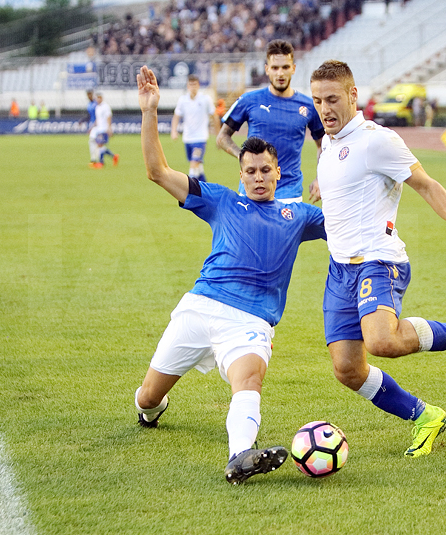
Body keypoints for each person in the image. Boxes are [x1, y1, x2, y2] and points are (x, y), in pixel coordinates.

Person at [308, 60, 446, 460]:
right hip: (339, 269)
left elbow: (425, 184)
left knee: (382, 341)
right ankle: (426, 416)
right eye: (318, 100)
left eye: (333, 99)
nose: (325, 108)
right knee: (347, 370)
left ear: (353, 96)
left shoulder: (378, 140)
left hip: (378, 261)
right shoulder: (328, 143)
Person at [134, 66, 327, 484]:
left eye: (266, 170)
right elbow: (157, 172)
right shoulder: (220, 200)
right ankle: (151, 410)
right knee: (148, 396)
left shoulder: (299, 216)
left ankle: (240, 457)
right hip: (201, 308)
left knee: (250, 377)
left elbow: (346, 226)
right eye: (251, 171)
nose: (258, 177)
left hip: (250, 322)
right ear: (240, 174)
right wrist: (150, 111)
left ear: (279, 173)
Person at [217, 39, 325, 203]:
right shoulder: (249, 100)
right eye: (275, 68)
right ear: (267, 69)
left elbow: (323, 145)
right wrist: (243, 156)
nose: (280, 73)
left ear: (293, 68)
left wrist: (320, 178)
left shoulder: (309, 106)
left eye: (285, 67)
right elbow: (222, 137)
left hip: (290, 193)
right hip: (251, 190)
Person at [171, 74, 220, 182]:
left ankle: (191, 192)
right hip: (188, 138)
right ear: (187, 86)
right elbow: (176, 116)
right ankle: (206, 188)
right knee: (198, 166)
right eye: (190, 84)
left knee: (194, 164)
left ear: (198, 85)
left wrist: (218, 135)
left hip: (200, 138)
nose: (193, 87)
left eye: (195, 84)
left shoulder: (205, 99)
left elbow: (214, 116)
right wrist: (174, 131)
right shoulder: (183, 100)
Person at [89, 92, 119, 169]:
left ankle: (101, 163)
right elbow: (98, 119)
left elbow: (108, 116)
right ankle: (113, 156)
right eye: (97, 98)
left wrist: (109, 128)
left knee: (99, 145)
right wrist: (92, 126)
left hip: (104, 128)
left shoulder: (105, 106)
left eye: (99, 98)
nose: (98, 99)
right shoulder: (97, 107)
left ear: (102, 98)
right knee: (99, 145)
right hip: (99, 128)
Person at [81, 89, 99, 166]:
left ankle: (95, 160)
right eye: (88, 95)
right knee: (96, 143)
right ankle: (112, 157)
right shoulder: (89, 104)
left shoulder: (96, 103)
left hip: (97, 125)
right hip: (92, 125)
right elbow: (88, 116)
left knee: (93, 141)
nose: (89, 96)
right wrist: (82, 121)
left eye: (90, 94)